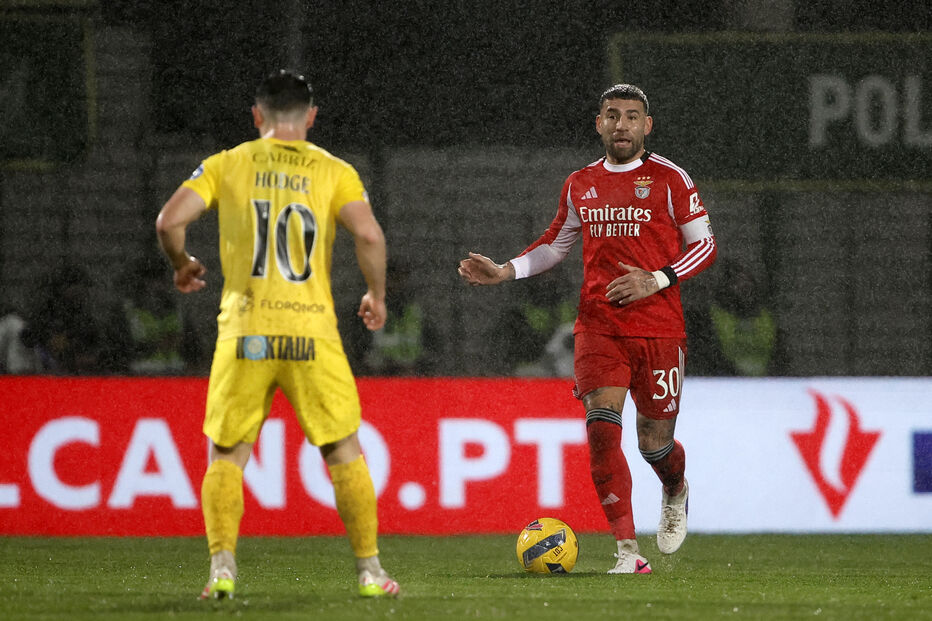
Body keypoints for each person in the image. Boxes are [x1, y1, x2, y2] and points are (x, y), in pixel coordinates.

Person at [155, 70, 399, 599]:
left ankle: (222, 568)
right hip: (311, 333)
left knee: (226, 455)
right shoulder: (334, 170)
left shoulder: (228, 164)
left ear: (257, 115)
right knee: (343, 449)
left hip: (246, 331)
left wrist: (183, 262)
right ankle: (371, 572)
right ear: (311, 117)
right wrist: (375, 295)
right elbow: (368, 234)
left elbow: (168, 221)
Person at [458, 84, 717, 574]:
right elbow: (555, 244)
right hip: (598, 327)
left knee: (654, 445)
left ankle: (676, 487)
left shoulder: (670, 180)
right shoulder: (580, 183)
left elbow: (705, 247)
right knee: (602, 429)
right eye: (613, 115)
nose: (622, 125)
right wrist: (505, 270)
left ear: (647, 125)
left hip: (659, 329)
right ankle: (627, 552)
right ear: (598, 123)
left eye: (632, 116)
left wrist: (655, 279)